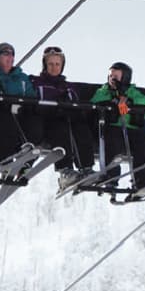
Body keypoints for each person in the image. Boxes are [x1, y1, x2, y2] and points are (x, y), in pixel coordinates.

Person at [31, 46, 96, 190]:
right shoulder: (36, 82)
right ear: (45, 65)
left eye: (57, 64)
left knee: (81, 127)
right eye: (50, 64)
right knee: (60, 128)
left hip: (69, 118)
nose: (54, 68)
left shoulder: (69, 87)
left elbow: (77, 105)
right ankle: (65, 171)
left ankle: (86, 168)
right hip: (48, 119)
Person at [91, 62, 145, 199]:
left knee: (144, 145)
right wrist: (112, 100)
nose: (112, 79)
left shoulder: (132, 92)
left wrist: (129, 101)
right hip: (112, 127)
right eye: (110, 76)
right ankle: (111, 177)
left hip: (130, 129)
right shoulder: (104, 90)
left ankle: (142, 183)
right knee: (112, 141)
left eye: (116, 76)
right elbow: (95, 100)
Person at [0, 42, 43, 165]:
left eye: (12, 54)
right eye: (6, 53)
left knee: (35, 122)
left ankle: (27, 162)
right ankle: (6, 161)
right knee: (6, 120)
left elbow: (31, 97)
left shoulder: (21, 78)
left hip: (20, 113)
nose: (10, 57)